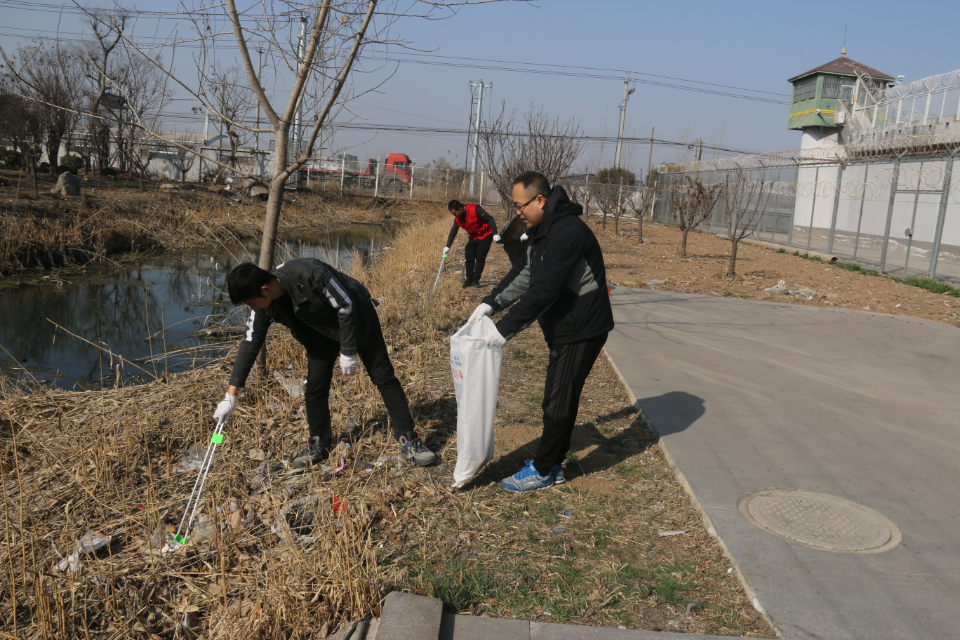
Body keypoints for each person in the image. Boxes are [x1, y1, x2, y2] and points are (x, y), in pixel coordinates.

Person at [212, 259, 439, 468]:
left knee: (383, 377)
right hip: (319, 333)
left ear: (265, 289)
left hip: (358, 319)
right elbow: (250, 343)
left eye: (252, 303)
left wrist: (348, 351)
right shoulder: (264, 305)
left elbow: (346, 305)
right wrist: (230, 396)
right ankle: (319, 442)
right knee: (314, 387)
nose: (253, 308)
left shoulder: (310, 275)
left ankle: (409, 439)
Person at [468, 171, 614, 492]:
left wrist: (503, 330)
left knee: (557, 402)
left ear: (540, 200)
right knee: (558, 397)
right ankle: (554, 464)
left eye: (520, 205)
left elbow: (543, 289)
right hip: (567, 324)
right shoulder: (544, 229)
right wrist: (490, 303)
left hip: (581, 327)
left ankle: (544, 470)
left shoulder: (567, 233)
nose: (517, 211)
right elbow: (525, 272)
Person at [443, 200, 501, 288]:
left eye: (455, 213)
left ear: (460, 208)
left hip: (485, 235)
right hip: (473, 237)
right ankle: (469, 280)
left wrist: (495, 233)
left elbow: (490, 218)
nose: (455, 216)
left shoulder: (475, 210)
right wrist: (447, 246)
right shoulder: (458, 218)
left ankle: (475, 280)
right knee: (469, 257)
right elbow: (454, 230)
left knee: (480, 257)